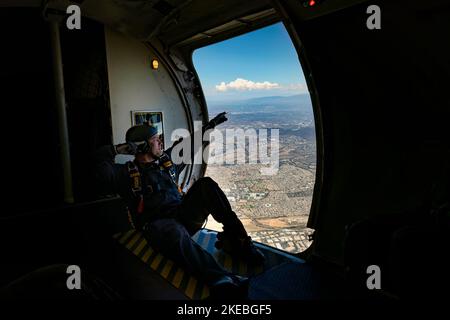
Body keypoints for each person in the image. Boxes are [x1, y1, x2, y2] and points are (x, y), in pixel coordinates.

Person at [94, 112, 265, 299]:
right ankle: (221, 279)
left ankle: (237, 242)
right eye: (154, 139)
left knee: (205, 185)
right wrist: (120, 149)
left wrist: (210, 126)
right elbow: (95, 165)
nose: (160, 141)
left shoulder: (167, 161)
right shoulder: (124, 175)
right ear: (142, 146)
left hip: (182, 216)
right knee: (172, 230)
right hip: (159, 228)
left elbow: (190, 144)